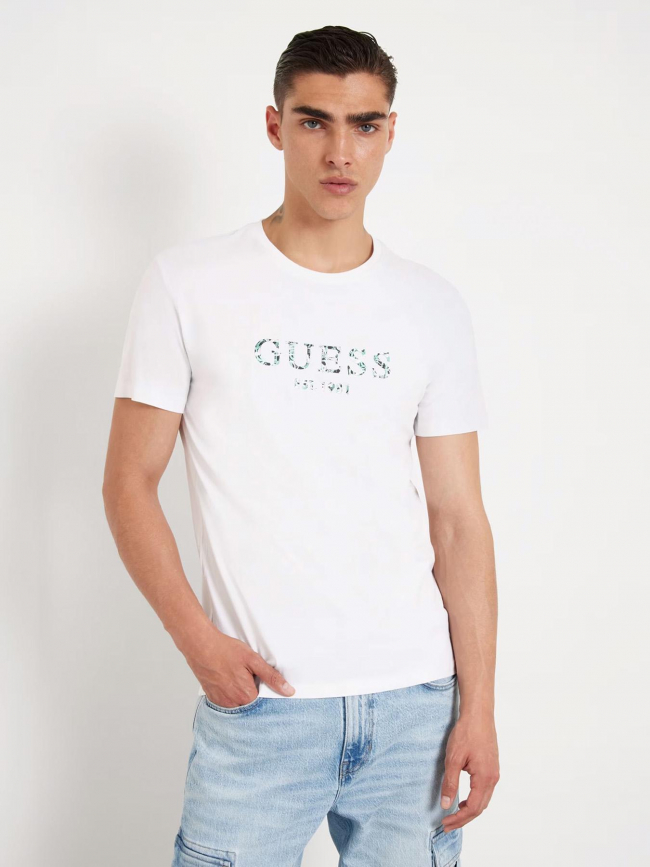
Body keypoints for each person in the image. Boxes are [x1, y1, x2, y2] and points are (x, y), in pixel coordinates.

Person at [102, 24, 499, 867]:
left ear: (390, 132)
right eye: (315, 121)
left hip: (416, 710)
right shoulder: (188, 283)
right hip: (263, 708)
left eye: (364, 125)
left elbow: (458, 517)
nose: (340, 152)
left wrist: (480, 706)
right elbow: (127, 482)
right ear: (276, 125)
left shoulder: (431, 306)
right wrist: (200, 643)